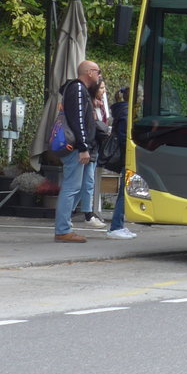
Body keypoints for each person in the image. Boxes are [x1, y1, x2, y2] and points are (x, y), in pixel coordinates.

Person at [53, 60, 101, 243]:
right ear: (89, 72)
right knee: (72, 188)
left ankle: (64, 225)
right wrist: (83, 147)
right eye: (98, 71)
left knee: (75, 187)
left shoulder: (75, 89)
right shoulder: (78, 90)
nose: (99, 75)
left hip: (73, 146)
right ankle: (63, 229)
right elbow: (78, 121)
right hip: (75, 147)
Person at [72, 78, 109, 228]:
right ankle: (87, 214)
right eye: (101, 88)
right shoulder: (90, 106)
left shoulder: (101, 106)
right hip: (89, 147)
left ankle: (71, 210)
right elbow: (95, 127)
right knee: (87, 181)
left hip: (94, 147)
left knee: (85, 182)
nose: (104, 91)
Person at [106, 86, 136, 239]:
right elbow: (125, 137)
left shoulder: (123, 111)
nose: (143, 99)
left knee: (125, 191)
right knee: (124, 192)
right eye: (141, 96)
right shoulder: (126, 112)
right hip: (128, 157)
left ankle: (119, 225)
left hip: (126, 157)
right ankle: (116, 226)